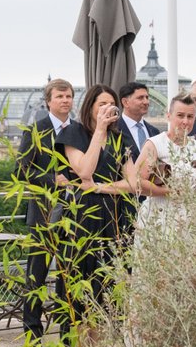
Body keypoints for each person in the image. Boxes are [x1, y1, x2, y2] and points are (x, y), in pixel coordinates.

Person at [56, 84, 138, 318]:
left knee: (111, 283)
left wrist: (100, 187)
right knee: (84, 283)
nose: (106, 109)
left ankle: (107, 343)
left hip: (114, 216)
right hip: (84, 217)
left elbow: (133, 184)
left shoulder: (118, 139)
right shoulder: (73, 134)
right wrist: (100, 131)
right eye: (101, 104)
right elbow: (84, 170)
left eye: (110, 105)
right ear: (90, 106)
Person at [17, 79, 75, 342]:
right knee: (36, 275)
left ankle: (67, 333)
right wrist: (53, 179)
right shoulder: (35, 130)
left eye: (69, 96)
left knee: (69, 274)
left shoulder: (78, 130)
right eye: (60, 96)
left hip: (74, 213)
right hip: (43, 213)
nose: (65, 100)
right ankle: (32, 334)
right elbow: (21, 170)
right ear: (48, 101)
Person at [134, 93, 196, 230]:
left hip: (191, 223)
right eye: (180, 115)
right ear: (169, 116)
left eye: (190, 117)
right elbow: (137, 182)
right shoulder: (155, 144)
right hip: (159, 221)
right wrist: (169, 192)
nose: (185, 121)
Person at [117, 82, 159, 153]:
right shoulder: (113, 130)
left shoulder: (155, 132)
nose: (146, 102)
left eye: (147, 97)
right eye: (140, 98)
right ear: (125, 102)